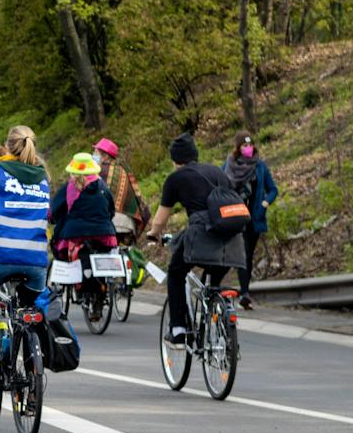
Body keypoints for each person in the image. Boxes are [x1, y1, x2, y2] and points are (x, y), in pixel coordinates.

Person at [146, 134, 248, 343]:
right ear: (195, 154)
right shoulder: (216, 172)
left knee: (175, 272)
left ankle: (179, 328)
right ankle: (219, 310)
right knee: (214, 281)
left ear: (174, 160)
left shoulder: (176, 178)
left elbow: (159, 220)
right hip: (233, 240)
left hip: (201, 237)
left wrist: (153, 235)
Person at [0, 126, 52, 347]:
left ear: (7, 147)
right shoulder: (43, 178)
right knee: (26, 319)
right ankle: (30, 370)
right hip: (35, 263)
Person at [223, 134, 278, 307]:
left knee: (247, 255)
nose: (248, 149)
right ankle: (244, 293)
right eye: (244, 146)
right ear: (238, 148)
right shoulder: (229, 165)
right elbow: (220, 184)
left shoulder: (260, 166)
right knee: (243, 252)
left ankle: (243, 290)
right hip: (236, 215)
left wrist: (265, 202)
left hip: (254, 217)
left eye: (251, 145)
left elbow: (273, 189)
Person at [48, 151, 118, 261]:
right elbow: (111, 212)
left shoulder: (68, 188)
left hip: (73, 238)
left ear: (72, 171)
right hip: (105, 237)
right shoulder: (103, 187)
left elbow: (52, 213)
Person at [94, 137, 146, 243]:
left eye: (96, 153)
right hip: (128, 223)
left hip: (109, 224)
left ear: (104, 156)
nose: (93, 156)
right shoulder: (123, 169)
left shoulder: (99, 171)